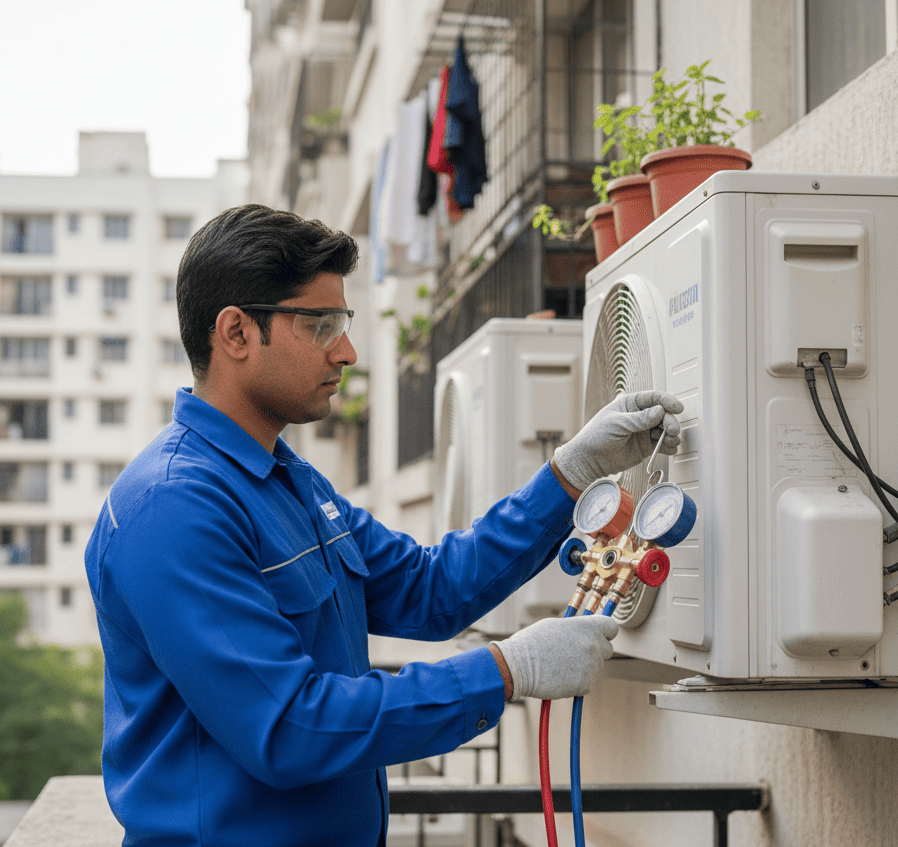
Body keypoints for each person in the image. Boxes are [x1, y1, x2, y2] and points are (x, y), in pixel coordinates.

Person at [84, 204, 683, 847]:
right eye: (320, 325)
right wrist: (505, 670)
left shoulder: (288, 480)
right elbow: (288, 728)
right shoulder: (173, 509)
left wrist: (570, 473)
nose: (346, 351)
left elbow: (430, 591)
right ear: (235, 334)